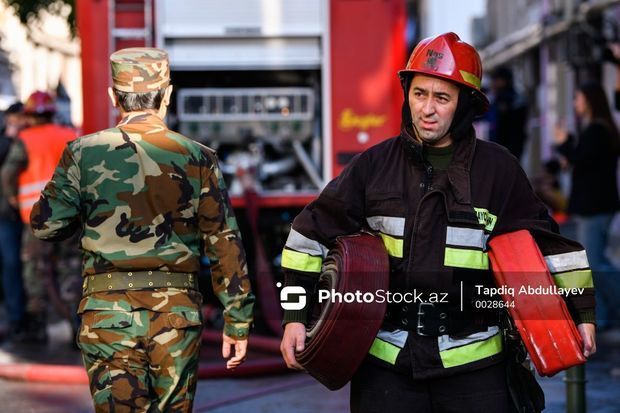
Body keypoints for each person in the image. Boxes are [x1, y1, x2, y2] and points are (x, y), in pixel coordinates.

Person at [280, 32, 596, 413]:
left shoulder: (498, 171)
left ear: (465, 106)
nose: (427, 109)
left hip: (476, 371)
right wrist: (295, 317)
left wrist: (582, 314)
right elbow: (309, 235)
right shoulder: (374, 166)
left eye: (442, 98)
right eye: (419, 94)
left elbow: (551, 247)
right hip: (388, 371)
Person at [30, 47, 254, 412]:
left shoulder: (82, 152)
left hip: (107, 313)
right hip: (176, 315)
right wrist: (238, 320)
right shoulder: (198, 156)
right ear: (167, 94)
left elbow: (46, 226)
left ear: (113, 96)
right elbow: (224, 241)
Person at [1, 91, 80, 343]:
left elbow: (8, 174)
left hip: (37, 219)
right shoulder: (70, 135)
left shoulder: (25, 139)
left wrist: (13, 200)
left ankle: (37, 328)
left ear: (30, 115)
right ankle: (76, 326)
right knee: (69, 269)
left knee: (35, 272)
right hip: (69, 217)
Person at [554, 82, 620, 329]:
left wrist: (564, 143)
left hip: (595, 205)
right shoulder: (596, 129)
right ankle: (603, 315)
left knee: (594, 262)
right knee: (594, 261)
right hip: (597, 204)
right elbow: (584, 159)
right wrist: (568, 144)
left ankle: (607, 312)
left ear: (590, 100)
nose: (575, 104)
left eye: (578, 98)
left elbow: (582, 160)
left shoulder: (597, 130)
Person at [0, 102, 26, 342]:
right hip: (7, 215)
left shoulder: (31, 138)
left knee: (27, 266)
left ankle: (26, 317)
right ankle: (16, 317)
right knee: (11, 265)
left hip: (26, 213)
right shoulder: (6, 139)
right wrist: (9, 137)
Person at [486, 66, 529, 160]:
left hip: (509, 149)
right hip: (496, 148)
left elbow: (515, 130)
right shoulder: (496, 98)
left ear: (503, 81)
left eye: (496, 80)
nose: (493, 84)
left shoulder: (512, 100)